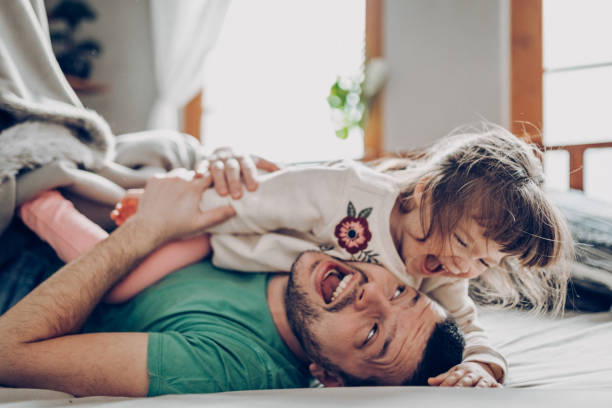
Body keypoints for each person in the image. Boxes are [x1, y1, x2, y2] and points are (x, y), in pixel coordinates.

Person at [18, 124, 574, 387]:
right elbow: (261, 199)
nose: (460, 270)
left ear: (327, 376)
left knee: (119, 279)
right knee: (139, 212)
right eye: (461, 247)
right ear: (427, 195)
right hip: (219, 233)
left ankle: (48, 213)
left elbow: (470, 327)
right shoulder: (348, 194)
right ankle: (67, 197)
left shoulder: (435, 283)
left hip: (208, 253)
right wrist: (171, 206)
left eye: (482, 265)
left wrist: (483, 364)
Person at [0, 171, 466, 397]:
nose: (373, 296)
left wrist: (150, 229)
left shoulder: (232, 367)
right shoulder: (321, 241)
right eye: (401, 292)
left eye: (372, 334)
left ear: (331, 378)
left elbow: (8, 352)